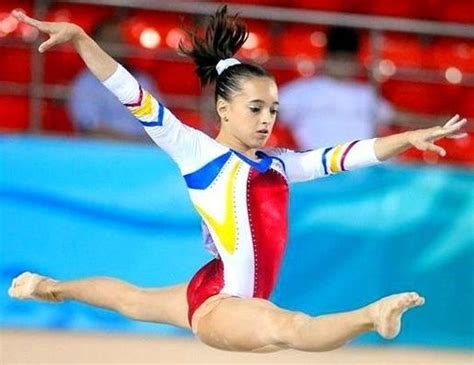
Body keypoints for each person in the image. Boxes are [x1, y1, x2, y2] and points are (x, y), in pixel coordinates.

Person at [8, 7, 467, 353]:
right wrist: (82, 38)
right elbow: (134, 95)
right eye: (256, 109)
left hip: (210, 282)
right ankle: (371, 316)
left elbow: (342, 156)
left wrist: (408, 136)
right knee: (290, 328)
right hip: (221, 303)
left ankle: (50, 286)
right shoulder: (197, 151)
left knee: (133, 298)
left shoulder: (279, 164)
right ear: (224, 110)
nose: (267, 119)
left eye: (273, 110)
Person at [279, 26, 394, 149]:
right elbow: (269, 113)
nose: (342, 65)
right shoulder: (299, 90)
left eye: (347, 60)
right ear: (326, 58)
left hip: (362, 163)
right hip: (315, 162)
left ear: (356, 62)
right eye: (338, 59)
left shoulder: (366, 94)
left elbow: (394, 117)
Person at [68, 18, 158, 142]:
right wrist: (131, 143)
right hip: (103, 152)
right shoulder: (85, 83)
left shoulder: (143, 81)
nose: (116, 45)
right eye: (109, 40)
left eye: (119, 40)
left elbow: (160, 128)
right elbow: (89, 131)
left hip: (142, 154)